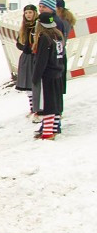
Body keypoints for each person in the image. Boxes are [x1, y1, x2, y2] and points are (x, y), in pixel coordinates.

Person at [33, 11, 66, 139]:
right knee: (56, 102)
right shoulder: (57, 35)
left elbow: (42, 60)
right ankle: (55, 128)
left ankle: (48, 132)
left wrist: (36, 77)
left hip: (48, 74)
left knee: (48, 103)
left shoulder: (44, 38)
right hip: (58, 72)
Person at [15, 5, 38, 119]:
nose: (28, 15)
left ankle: (37, 108)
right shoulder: (23, 27)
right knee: (27, 84)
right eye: (26, 13)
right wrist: (23, 47)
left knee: (34, 83)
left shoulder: (37, 26)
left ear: (34, 13)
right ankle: (32, 108)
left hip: (34, 57)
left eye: (30, 12)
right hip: (26, 57)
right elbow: (18, 42)